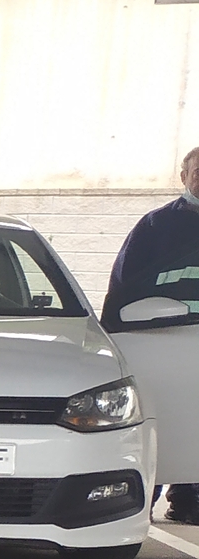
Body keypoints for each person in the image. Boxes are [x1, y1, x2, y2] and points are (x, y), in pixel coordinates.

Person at [103, 146, 199, 523]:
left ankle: (190, 498)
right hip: (163, 341)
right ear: (184, 177)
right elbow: (127, 286)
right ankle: (145, 494)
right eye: (198, 170)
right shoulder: (157, 226)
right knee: (160, 421)